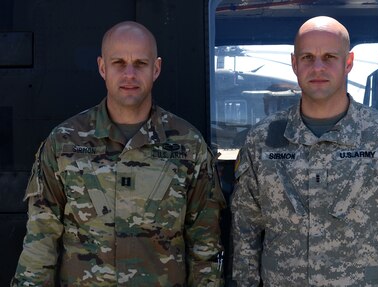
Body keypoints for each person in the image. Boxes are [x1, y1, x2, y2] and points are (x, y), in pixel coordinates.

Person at [11, 21, 225, 286]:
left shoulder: (188, 146)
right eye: (119, 63)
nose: (130, 74)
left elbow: (205, 248)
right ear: (103, 67)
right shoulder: (63, 143)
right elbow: (40, 242)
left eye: (141, 64)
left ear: (156, 68)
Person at [231, 16, 378, 286]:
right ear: (293, 63)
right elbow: (245, 233)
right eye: (307, 57)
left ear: (348, 63)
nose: (318, 67)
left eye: (329, 57)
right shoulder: (262, 141)